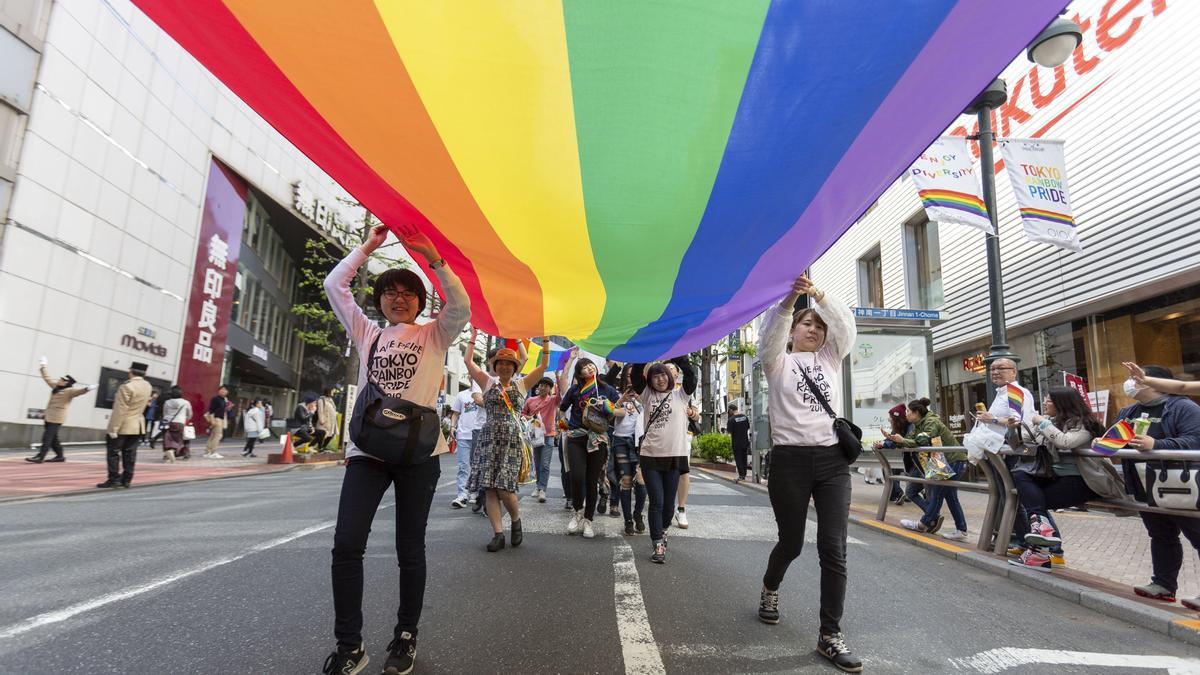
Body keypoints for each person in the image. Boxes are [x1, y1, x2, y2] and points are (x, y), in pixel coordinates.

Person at [321, 222, 469, 675]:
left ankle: (406, 635)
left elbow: (461, 305)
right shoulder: (367, 333)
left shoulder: (435, 334)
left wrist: (433, 258)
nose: (399, 298)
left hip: (419, 455)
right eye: (390, 292)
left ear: (421, 302)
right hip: (367, 452)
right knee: (347, 545)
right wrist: (368, 247)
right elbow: (334, 284)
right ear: (380, 301)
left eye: (408, 293)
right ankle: (350, 646)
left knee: (410, 549)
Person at [756, 273, 862, 673]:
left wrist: (818, 295)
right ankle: (770, 587)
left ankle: (829, 634)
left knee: (834, 547)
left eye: (819, 325)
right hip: (790, 462)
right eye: (807, 323)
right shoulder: (777, 362)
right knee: (792, 543)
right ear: (793, 331)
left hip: (833, 462)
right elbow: (769, 336)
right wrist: (789, 302)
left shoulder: (831, 358)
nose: (814, 329)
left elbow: (845, 327)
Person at [1008, 387, 1125, 571]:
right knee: (1021, 474)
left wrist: (1042, 423)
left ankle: (1040, 550)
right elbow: (1022, 444)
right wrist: (1011, 429)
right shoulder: (1050, 422)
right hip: (1054, 478)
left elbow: (1065, 442)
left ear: (1062, 403)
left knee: (1034, 504)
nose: (1044, 403)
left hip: (1082, 481)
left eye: (1048, 400)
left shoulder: (1084, 424)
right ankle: (1040, 540)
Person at [1116, 364, 1200, 610]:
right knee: (1160, 534)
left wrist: (1157, 444)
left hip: (1181, 483)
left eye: (1136, 378)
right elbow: (1116, 439)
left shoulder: (1183, 407)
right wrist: (1106, 443)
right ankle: (1163, 584)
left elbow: (1195, 440)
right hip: (1144, 483)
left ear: (1156, 382)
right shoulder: (1128, 411)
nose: (1130, 383)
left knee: (1197, 535)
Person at [465, 329, 550, 552]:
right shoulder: (487, 382)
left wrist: (545, 339)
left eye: (508, 364)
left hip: (512, 440)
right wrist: (473, 335)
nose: (504, 366)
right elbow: (467, 361)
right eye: (500, 363)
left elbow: (543, 365)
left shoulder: (522, 384)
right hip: (489, 438)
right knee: (490, 489)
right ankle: (498, 534)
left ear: (514, 367)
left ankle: (515, 519)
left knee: (505, 488)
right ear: (495, 365)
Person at [630, 356, 696, 563]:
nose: (660, 379)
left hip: (674, 456)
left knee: (668, 506)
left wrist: (678, 354)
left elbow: (691, 375)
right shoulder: (647, 395)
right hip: (650, 456)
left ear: (670, 377)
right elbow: (635, 375)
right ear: (650, 380)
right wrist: (647, 353)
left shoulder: (681, 395)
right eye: (655, 376)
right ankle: (657, 543)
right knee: (656, 502)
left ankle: (664, 529)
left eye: (663, 375)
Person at [559, 356, 620, 538]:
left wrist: (608, 407)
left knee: (592, 481)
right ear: (580, 373)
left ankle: (588, 520)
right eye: (584, 367)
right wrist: (563, 423)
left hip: (598, 439)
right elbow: (562, 408)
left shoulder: (607, 389)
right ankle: (577, 512)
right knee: (577, 476)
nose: (589, 368)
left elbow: (620, 410)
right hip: (576, 437)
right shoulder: (575, 389)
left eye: (590, 365)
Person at [895, 398, 967, 541]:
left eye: (908, 411)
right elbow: (910, 440)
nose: (906, 414)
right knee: (950, 497)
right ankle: (961, 530)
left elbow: (923, 440)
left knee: (938, 494)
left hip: (952, 461)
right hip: (942, 462)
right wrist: (893, 440)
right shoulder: (918, 425)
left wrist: (903, 441)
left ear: (916, 412)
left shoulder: (931, 422)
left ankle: (923, 524)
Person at [26, 357, 93, 463]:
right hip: (49, 416)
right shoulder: (56, 387)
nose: (59, 380)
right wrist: (43, 366)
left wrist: (87, 389)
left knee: (47, 437)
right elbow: (47, 378)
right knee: (53, 438)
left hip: (56, 418)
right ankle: (60, 456)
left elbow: (79, 392)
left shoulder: (70, 391)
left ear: (67, 383)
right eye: (61, 379)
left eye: (62, 380)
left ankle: (40, 457)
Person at [97, 361, 153, 489]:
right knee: (130, 453)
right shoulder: (148, 386)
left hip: (123, 425)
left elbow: (120, 409)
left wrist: (114, 428)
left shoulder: (127, 386)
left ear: (130, 372)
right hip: (138, 425)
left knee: (113, 452)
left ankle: (113, 479)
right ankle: (127, 479)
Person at [611, 367, 648, 536]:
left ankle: (637, 513)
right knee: (625, 480)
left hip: (641, 441)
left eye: (634, 376)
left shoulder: (647, 394)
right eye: (628, 376)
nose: (631, 379)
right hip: (621, 440)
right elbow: (608, 414)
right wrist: (621, 400)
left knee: (641, 480)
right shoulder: (617, 394)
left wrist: (640, 398)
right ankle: (628, 520)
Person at [522, 374, 567, 504]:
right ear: (538, 386)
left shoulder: (553, 400)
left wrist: (558, 377)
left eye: (546, 386)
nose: (543, 388)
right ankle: (538, 486)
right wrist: (530, 418)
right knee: (537, 463)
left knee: (545, 464)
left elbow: (560, 396)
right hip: (535, 435)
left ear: (550, 389)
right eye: (541, 385)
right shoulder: (530, 400)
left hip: (548, 436)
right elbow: (523, 413)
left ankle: (542, 490)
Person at [872, 403, 926, 508]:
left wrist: (886, 443)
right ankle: (931, 512)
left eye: (908, 411)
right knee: (913, 490)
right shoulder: (900, 426)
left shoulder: (912, 426)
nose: (907, 414)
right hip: (912, 461)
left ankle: (930, 513)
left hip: (918, 462)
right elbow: (894, 440)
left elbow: (903, 442)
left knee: (912, 491)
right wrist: (883, 442)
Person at [449, 382, 485, 509]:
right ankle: (462, 495)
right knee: (463, 467)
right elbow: (455, 413)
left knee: (478, 467)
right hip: (463, 435)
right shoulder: (461, 395)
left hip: (479, 433)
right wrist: (452, 426)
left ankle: (475, 492)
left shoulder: (485, 391)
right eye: (470, 373)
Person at [161, 386, 193, 461]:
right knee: (178, 438)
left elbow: (164, 412)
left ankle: (167, 453)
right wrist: (187, 418)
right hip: (179, 422)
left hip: (167, 422)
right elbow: (189, 414)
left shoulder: (167, 402)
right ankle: (173, 451)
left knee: (168, 438)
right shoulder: (186, 402)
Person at [204, 385, 231, 459]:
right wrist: (212, 420)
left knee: (213, 435)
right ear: (219, 390)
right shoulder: (215, 398)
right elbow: (211, 410)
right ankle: (213, 452)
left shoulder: (224, 399)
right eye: (221, 389)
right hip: (216, 419)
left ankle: (208, 452)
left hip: (220, 419)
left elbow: (222, 410)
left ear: (227, 392)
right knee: (218, 435)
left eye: (225, 390)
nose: (223, 391)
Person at [728, 403, 751, 482]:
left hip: (736, 443)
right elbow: (748, 427)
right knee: (744, 458)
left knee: (738, 459)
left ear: (731, 410)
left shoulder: (731, 419)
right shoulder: (745, 417)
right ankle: (744, 474)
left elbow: (730, 431)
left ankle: (741, 475)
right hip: (745, 441)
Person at [314, 387, 339, 451]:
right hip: (325, 421)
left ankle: (323, 447)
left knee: (331, 435)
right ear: (329, 391)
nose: (333, 392)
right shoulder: (321, 400)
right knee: (324, 434)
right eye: (332, 391)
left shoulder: (330, 400)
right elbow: (320, 411)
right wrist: (322, 420)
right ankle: (319, 447)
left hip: (332, 422)